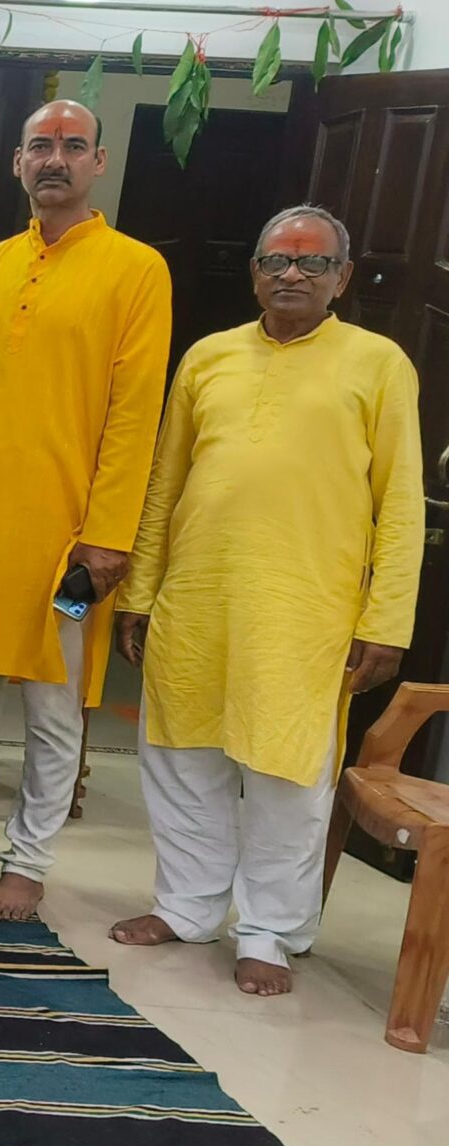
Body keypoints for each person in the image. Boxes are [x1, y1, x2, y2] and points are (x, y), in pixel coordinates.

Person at [110, 205, 424, 998]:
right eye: (277, 259)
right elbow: (165, 482)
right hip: (198, 597)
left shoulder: (379, 363)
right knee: (182, 755)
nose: (292, 273)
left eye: (313, 263)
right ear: (253, 273)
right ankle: (187, 906)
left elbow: (401, 503)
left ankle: (268, 930)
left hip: (305, 608)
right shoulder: (208, 358)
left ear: (341, 279)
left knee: (288, 770)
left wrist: (387, 622)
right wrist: (140, 590)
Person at [0, 99, 170, 922]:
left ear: (99, 162)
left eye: (71, 145)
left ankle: (27, 863)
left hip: (68, 539)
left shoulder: (137, 270)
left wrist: (107, 537)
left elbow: (135, 413)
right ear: (18, 162)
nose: (54, 159)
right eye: (40, 146)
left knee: (54, 703)